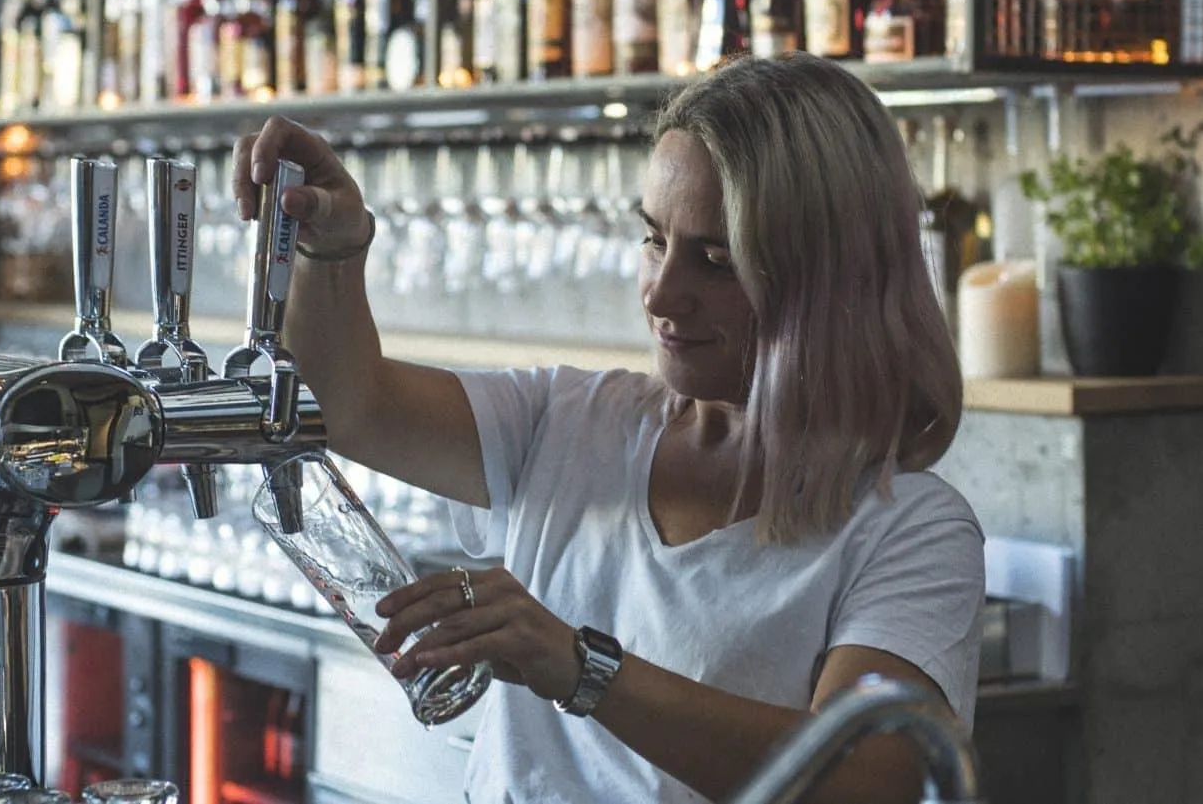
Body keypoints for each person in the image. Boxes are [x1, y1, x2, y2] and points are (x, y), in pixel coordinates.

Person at [232, 52, 984, 804]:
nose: (662, 291)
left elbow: (868, 780)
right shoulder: (570, 420)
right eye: (654, 238)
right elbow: (347, 404)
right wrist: (332, 245)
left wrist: (579, 666)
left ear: (828, 276)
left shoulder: (910, 528)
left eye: (715, 260)